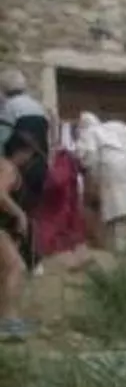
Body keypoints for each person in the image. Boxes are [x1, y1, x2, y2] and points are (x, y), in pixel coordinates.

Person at [75, 113, 126, 254]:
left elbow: (88, 157)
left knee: (119, 224)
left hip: (113, 182)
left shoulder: (90, 133)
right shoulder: (120, 126)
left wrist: (93, 177)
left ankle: (122, 262)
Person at [1, 133, 35, 339]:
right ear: (22, 152)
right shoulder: (8, 168)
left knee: (4, 272)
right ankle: (9, 322)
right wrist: (20, 214)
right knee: (17, 267)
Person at [0, 70, 50, 156]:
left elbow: (3, 136)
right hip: (39, 158)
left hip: (15, 160)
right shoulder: (38, 106)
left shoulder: (8, 107)